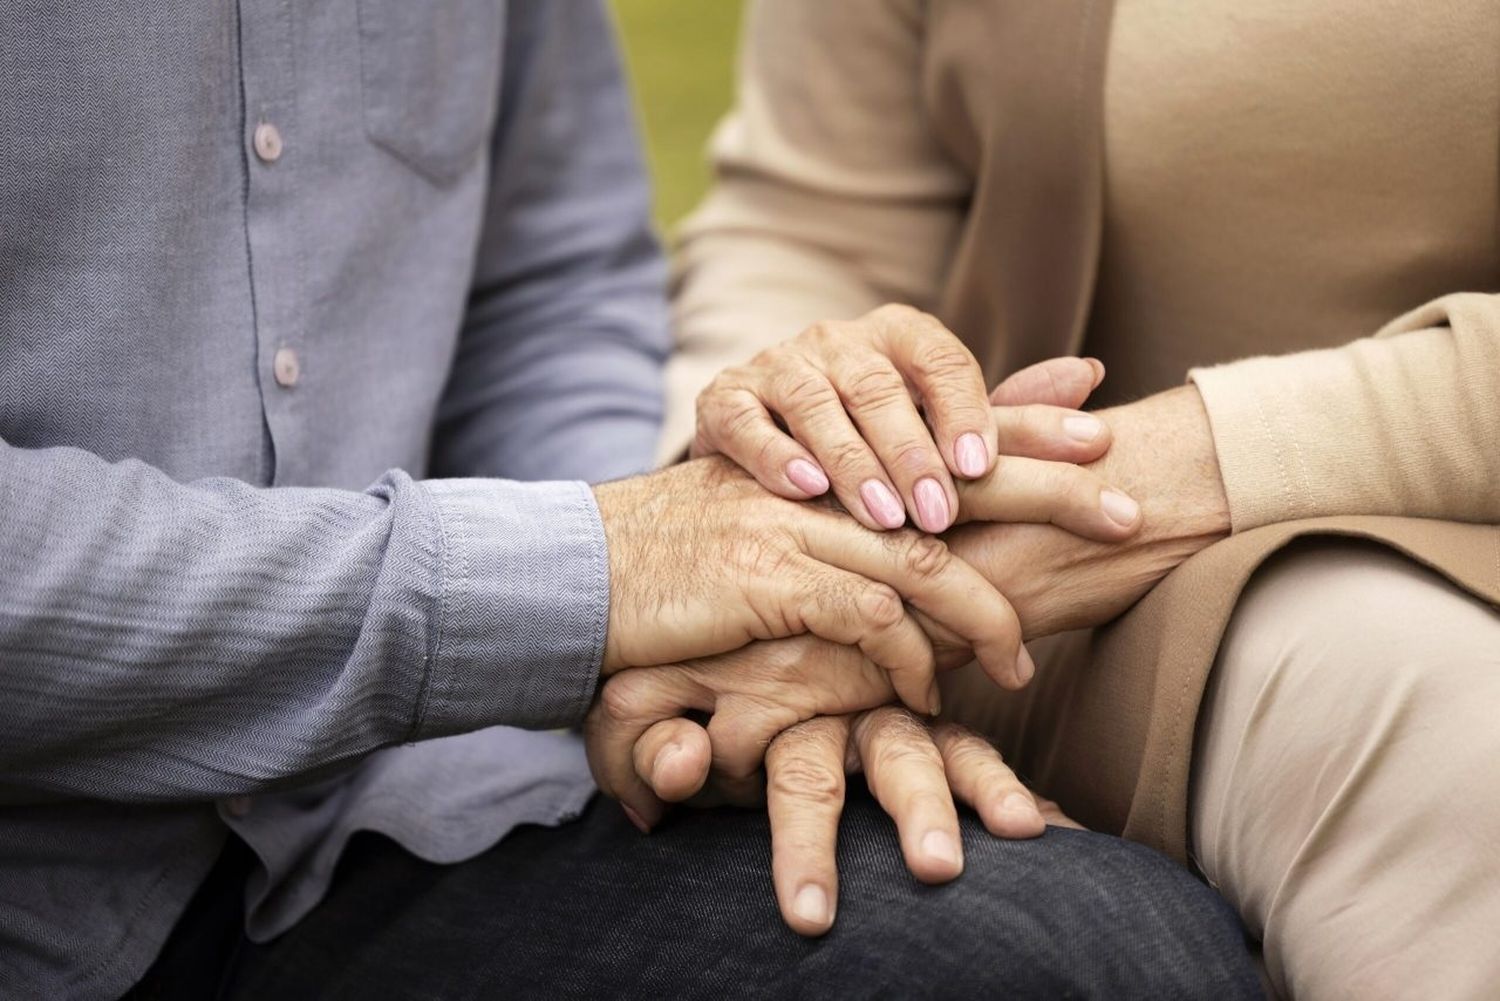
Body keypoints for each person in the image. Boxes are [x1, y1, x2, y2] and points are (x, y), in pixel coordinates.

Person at [0, 2, 1261, 999]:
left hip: (388, 812)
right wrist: (605, 582)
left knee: (1092, 955)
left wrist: (731, 647)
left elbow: (547, 289)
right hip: (51, 896)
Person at [655, 1, 1500, 998]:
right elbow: (813, 221)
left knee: (1437, 731)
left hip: (1387, 600)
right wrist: (741, 556)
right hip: (982, 612)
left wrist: (1158, 472)